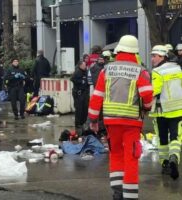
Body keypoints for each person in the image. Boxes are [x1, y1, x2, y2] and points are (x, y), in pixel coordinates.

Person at [88, 35, 153, 200]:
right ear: (135, 52)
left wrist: (93, 120)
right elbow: (147, 94)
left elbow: (97, 96)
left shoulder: (106, 70)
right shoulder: (140, 70)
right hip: (132, 122)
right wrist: (146, 108)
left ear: (118, 51)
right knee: (131, 158)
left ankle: (117, 193)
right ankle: (130, 196)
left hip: (111, 122)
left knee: (116, 154)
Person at [150, 45, 182, 180]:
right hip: (178, 109)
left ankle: (165, 164)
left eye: (154, 56)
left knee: (163, 139)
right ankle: (174, 156)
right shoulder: (178, 68)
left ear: (162, 56)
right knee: (175, 137)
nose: (152, 59)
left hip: (161, 111)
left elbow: (154, 91)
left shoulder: (157, 71)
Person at [71, 60, 89, 136]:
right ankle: (78, 125)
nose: (85, 66)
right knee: (79, 109)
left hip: (84, 93)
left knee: (85, 109)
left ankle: (83, 123)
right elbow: (72, 79)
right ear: (80, 65)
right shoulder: (77, 72)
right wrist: (81, 81)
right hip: (78, 93)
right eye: (84, 65)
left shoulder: (86, 71)